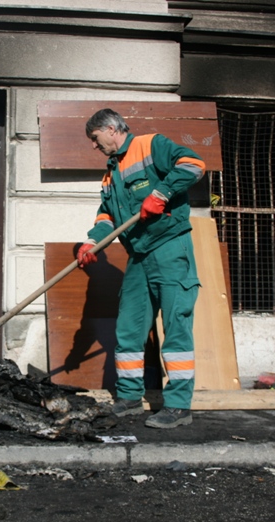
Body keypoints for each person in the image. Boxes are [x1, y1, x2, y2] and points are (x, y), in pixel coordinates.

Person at [76, 108, 205, 429]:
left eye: (95, 139)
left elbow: (194, 164)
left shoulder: (150, 146)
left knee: (175, 327)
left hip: (170, 247)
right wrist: (93, 243)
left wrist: (160, 194)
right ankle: (130, 397)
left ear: (109, 129)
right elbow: (106, 216)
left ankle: (178, 406)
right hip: (139, 256)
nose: (94, 146)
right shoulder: (110, 175)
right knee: (130, 328)